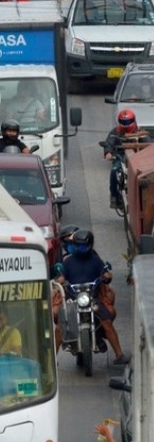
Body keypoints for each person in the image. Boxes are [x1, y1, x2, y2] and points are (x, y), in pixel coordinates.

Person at [59, 229, 130, 365]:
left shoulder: (96, 260)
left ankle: (119, 354)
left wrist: (107, 276)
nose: (81, 249)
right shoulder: (68, 262)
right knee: (59, 328)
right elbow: (62, 276)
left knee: (107, 322)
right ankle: (50, 362)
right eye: (78, 246)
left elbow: (106, 272)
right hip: (72, 300)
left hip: (92, 299)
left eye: (84, 246)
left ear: (90, 245)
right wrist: (59, 280)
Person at [103, 109, 149, 210]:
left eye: (128, 122)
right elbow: (109, 143)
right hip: (120, 157)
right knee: (114, 171)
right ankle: (114, 196)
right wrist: (108, 152)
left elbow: (148, 145)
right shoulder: (115, 132)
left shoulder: (140, 132)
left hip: (137, 159)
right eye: (123, 122)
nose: (126, 125)